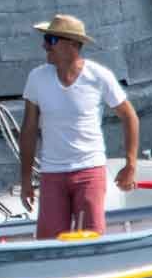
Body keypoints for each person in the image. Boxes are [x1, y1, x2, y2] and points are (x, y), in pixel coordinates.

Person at [17, 13, 139, 239]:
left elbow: (129, 116)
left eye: (51, 40)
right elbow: (29, 129)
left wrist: (130, 164)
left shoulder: (98, 76)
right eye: (46, 39)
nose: (45, 46)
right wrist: (25, 179)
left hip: (89, 171)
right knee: (48, 245)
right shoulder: (36, 78)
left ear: (72, 45)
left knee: (91, 241)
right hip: (52, 173)